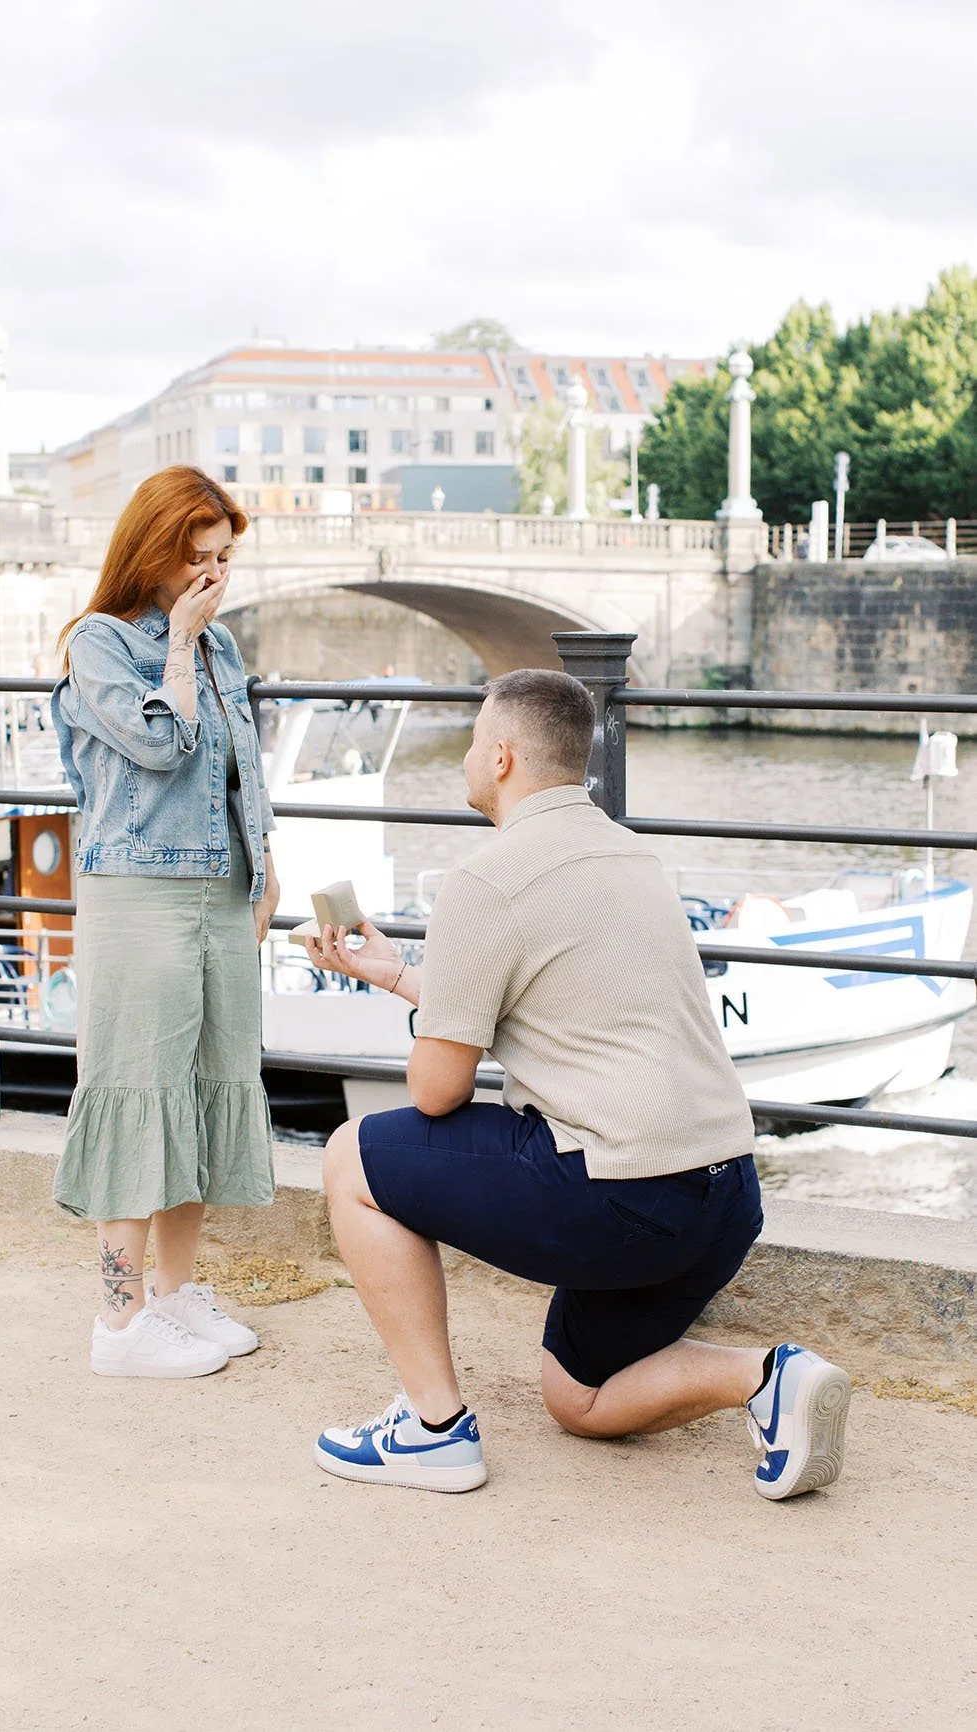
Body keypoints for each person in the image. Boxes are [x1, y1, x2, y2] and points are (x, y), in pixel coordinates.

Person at [305, 669, 850, 1497]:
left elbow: (435, 1095)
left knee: (352, 1159)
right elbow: (568, 1005)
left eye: (469, 743)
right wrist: (403, 977)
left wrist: (430, 1022)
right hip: (723, 1194)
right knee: (579, 1398)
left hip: (621, 1196)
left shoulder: (486, 879)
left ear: (499, 757)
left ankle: (431, 1430)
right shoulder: (631, 856)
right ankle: (767, 1378)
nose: (462, 760)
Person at [52, 466, 279, 1378]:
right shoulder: (100, 646)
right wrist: (179, 644)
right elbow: (156, 746)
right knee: (140, 1088)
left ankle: (174, 1296)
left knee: (209, 1088)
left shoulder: (221, 647)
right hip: (139, 895)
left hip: (221, 891)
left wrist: (264, 868)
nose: (214, 577)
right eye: (199, 559)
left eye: (225, 559)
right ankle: (117, 1326)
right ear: (155, 553)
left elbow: (239, 773)